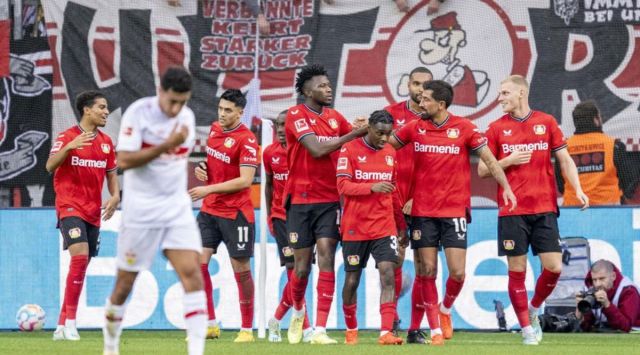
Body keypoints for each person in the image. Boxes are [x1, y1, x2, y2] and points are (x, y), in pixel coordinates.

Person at [390, 80, 516, 345]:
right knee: (427, 271)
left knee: (457, 273)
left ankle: (445, 309)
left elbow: (489, 160)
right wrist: (362, 131)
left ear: (441, 104)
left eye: (425, 99)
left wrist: (506, 188)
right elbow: (385, 144)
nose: (420, 103)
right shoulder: (415, 127)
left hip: (454, 210)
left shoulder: (465, 128)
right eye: (419, 98)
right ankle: (425, 329)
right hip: (423, 211)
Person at [478, 74, 589, 345]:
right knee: (517, 271)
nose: (500, 98)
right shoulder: (494, 129)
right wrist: (508, 160)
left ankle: (534, 308)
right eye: (500, 93)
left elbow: (565, 160)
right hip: (512, 211)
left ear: (521, 94)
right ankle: (527, 331)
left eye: (505, 93)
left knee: (553, 268)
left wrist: (578, 188)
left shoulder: (546, 122)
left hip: (544, 208)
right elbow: (482, 169)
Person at [102, 67, 207, 355]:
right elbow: (123, 160)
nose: (177, 108)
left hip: (176, 209)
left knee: (193, 276)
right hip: (141, 212)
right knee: (124, 285)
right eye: (172, 101)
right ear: (160, 91)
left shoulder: (186, 117)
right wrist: (166, 145)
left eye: (183, 102)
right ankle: (110, 347)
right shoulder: (139, 113)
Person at [284, 64, 367, 345]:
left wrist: (363, 129)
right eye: (322, 86)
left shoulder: (334, 117)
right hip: (299, 200)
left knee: (327, 256)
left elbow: (357, 141)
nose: (328, 89)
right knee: (302, 267)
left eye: (329, 85)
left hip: (330, 200)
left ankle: (319, 329)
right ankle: (298, 311)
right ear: (307, 91)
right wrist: (353, 134)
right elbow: (317, 149)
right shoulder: (296, 115)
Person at [47, 90, 119, 341]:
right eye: (101, 107)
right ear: (87, 110)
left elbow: (111, 173)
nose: (106, 111)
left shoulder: (107, 142)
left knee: (81, 265)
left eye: (106, 107)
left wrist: (116, 195)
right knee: (80, 256)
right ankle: (71, 324)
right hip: (69, 206)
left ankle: (60, 325)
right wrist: (68, 148)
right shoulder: (66, 137)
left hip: (93, 211)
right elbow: (49, 166)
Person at [189, 89, 260, 343]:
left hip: (236, 213)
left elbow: (245, 180)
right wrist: (204, 170)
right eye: (220, 108)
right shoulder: (214, 130)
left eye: (228, 110)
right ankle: (209, 323)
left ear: (241, 112)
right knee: (197, 264)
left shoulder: (247, 140)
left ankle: (246, 328)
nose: (222, 114)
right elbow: (215, 165)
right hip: (210, 210)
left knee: (240, 270)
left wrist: (208, 188)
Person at [337, 110, 406, 346]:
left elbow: (393, 190)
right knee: (352, 280)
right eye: (379, 133)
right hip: (355, 226)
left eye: (388, 134)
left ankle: (385, 332)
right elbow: (343, 185)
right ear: (368, 128)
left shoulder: (390, 153)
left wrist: (401, 223)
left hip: (384, 225)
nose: (384, 139)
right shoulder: (350, 149)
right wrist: (371, 187)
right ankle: (351, 329)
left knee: (388, 272)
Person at [384, 66, 433, 343]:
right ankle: (390, 321)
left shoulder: (436, 119)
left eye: (425, 85)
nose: (419, 89)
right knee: (393, 261)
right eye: (415, 83)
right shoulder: (390, 114)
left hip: (425, 202)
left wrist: (419, 196)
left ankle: (415, 328)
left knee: (425, 265)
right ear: (407, 84)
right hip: (393, 200)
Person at [263, 110, 312, 342]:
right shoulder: (269, 153)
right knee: (293, 268)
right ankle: (305, 325)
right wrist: (269, 217)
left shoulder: (303, 151)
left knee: (301, 273)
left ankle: (275, 319)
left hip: (302, 215)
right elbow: (269, 185)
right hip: (281, 217)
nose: (282, 129)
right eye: (278, 125)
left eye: (285, 125)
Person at [557, 100, 634, 206]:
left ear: (576, 122)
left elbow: (560, 184)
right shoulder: (614, 146)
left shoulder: (563, 148)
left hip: (574, 208)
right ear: (596, 120)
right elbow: (628, 180)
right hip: (608, 207)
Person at [576, 259, 640, 332]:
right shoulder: (590, 290)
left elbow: (625, 327)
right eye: (594, 280)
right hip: (606, 330)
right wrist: (580, 310)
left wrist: (607, 305)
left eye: (602, 278)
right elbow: (585, 326)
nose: (597, 284)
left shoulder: (629, 290)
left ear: (613, 276)